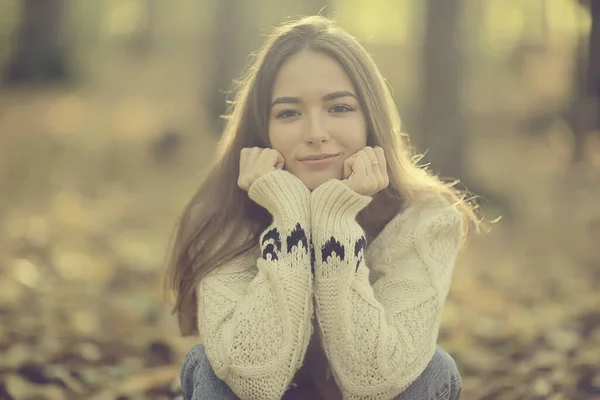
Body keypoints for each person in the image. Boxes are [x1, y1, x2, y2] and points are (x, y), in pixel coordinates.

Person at [164, 15, 482, 400]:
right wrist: (289, 216)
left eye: (339, 108)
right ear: (263, 130)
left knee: (433, 370)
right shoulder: (224, 217)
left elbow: (377, 380)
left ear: (370, 118)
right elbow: (250, 378)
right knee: (213, 370)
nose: (316, 133)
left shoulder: (423, 219)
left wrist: (335, 217)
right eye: (289, 113)